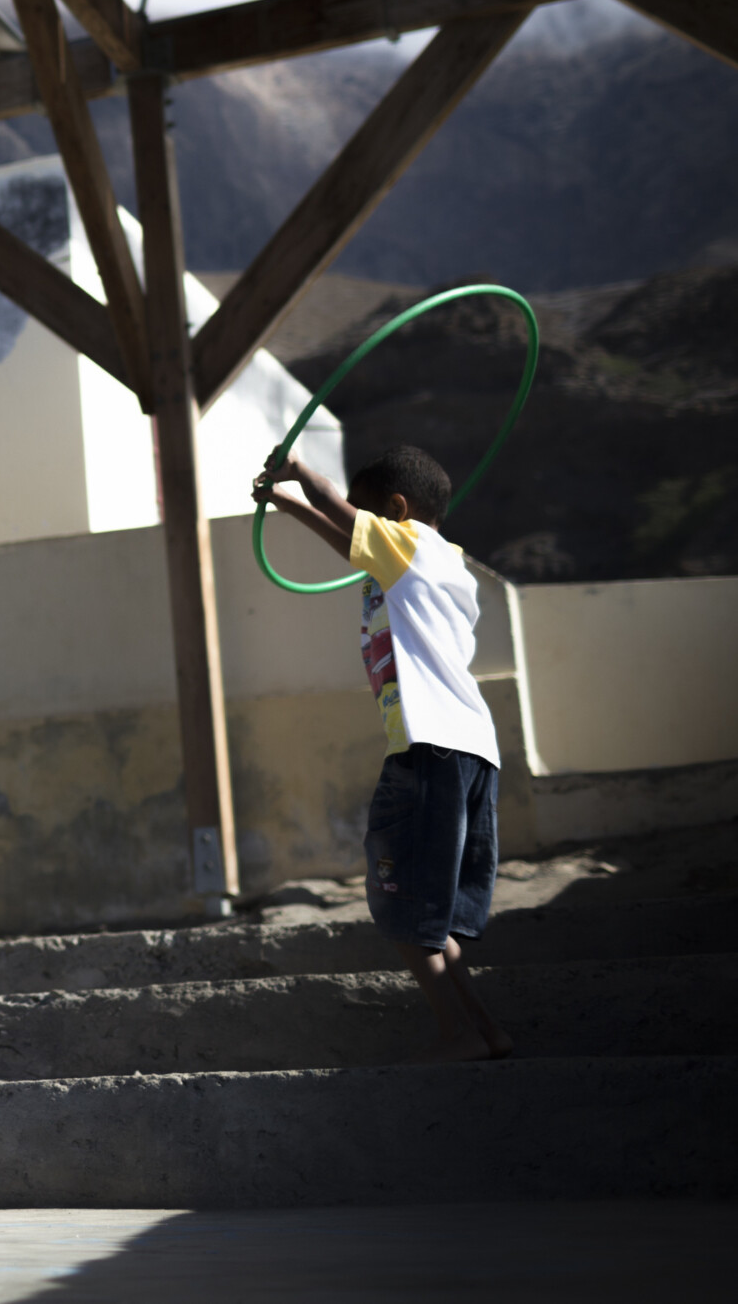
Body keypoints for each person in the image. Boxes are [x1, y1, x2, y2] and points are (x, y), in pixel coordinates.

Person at [256, 445, 514, 1063]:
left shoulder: (411, 547)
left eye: (366, 512)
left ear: (396, 510)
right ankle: (485, 1030)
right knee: (434, 919)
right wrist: (288, 506)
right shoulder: (436, 562)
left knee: (402, 906)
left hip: (429, 747)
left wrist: (300, 476)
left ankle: (458, 1036)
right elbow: (346, 538)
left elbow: (345, 521)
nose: (357, 524)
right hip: (472, 749)